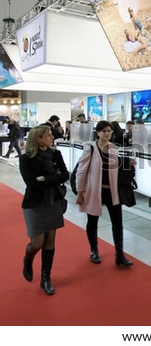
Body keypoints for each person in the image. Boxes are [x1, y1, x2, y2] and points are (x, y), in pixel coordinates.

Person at [19, 125, 69, 295]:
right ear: (38, 139)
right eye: (48, 135)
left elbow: (65, 175)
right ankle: (28, 258)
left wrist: (46, 178)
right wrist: (53, 178)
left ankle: (45, 277)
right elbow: (31, 183)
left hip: (53, 200)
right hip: (34, 203)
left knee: (51, 240)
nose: (52, 137)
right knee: (37, 243)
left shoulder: (56, 154)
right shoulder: (26, 158)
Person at [75, 120, 134, 267]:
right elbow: (81, 171)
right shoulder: (91, 148)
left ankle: (120, 254)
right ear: (98, 132)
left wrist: (128, 162)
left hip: (112, 191)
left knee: (117, 222)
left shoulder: (114, 148)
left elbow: (116, 165)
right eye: (104, 131)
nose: (107, 133)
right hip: (95, 191)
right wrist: (80, 190)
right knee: (93, 221)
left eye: (109, 131)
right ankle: (94, 250)